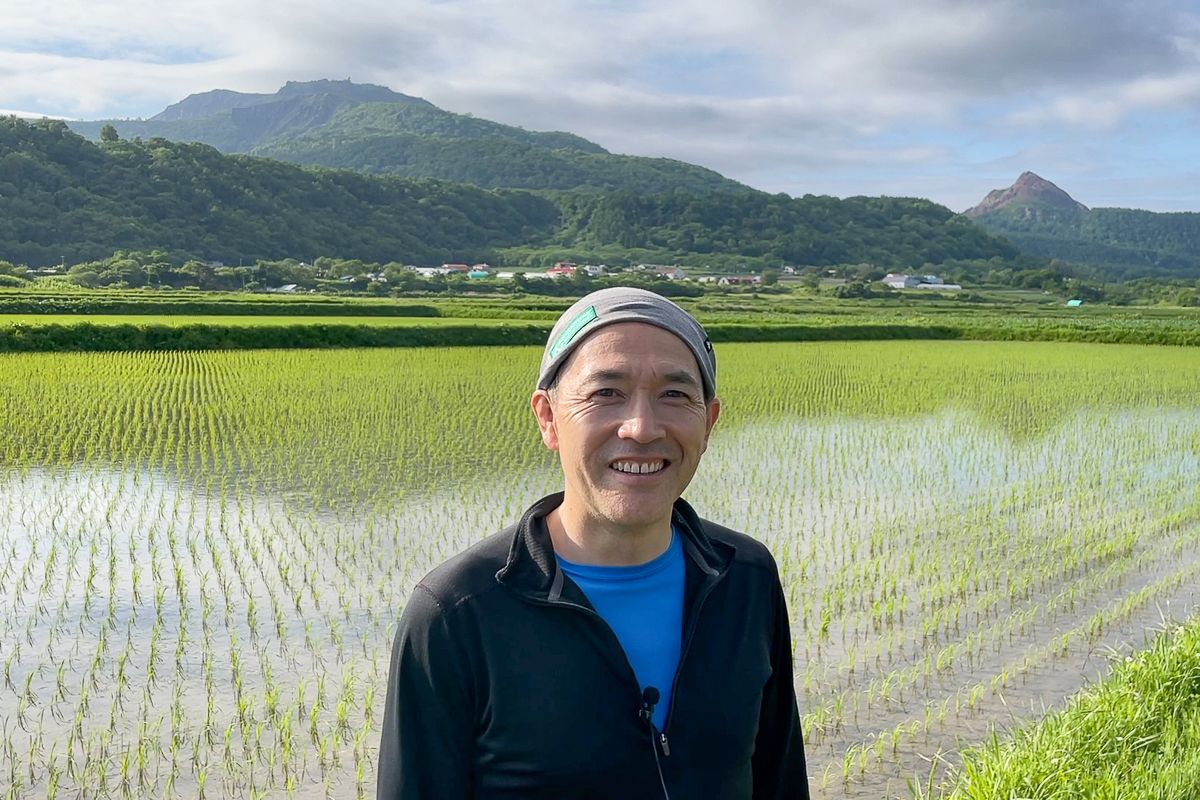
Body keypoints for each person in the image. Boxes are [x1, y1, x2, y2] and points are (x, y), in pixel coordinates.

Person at [378, 287, 809, 799]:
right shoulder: (457, 613)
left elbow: (780, 781)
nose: (642, 428)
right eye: (606, 393)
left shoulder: (745, 577)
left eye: (675, 394)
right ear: (547, 418)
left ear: (709, 421)